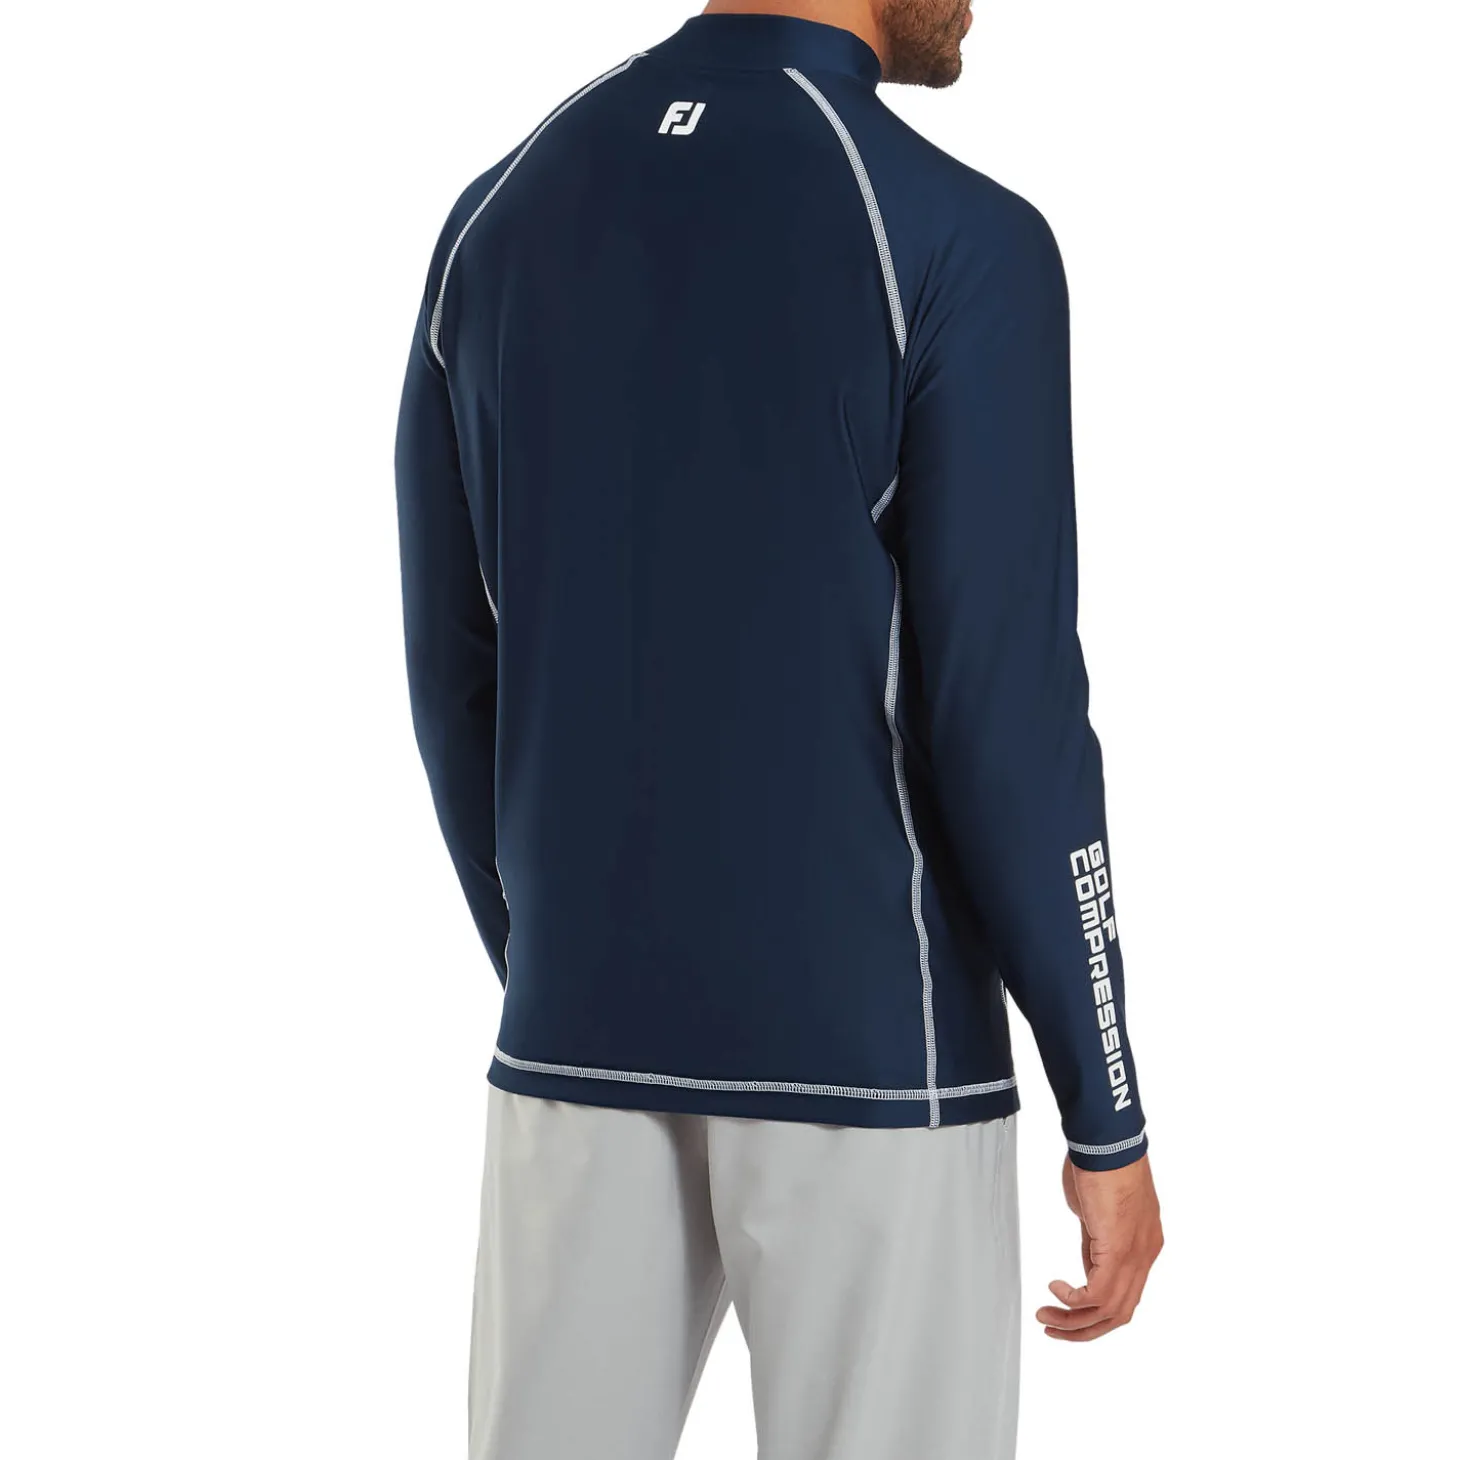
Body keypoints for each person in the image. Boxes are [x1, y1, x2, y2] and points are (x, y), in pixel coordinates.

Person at [394, 2, 1163, 1455]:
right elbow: (1010, 720)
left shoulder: (500, 213)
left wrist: (557, 963)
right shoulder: (957, 237)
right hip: (873, 1060)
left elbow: (453, 674)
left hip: (573, 1050)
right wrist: (1104, 1106)